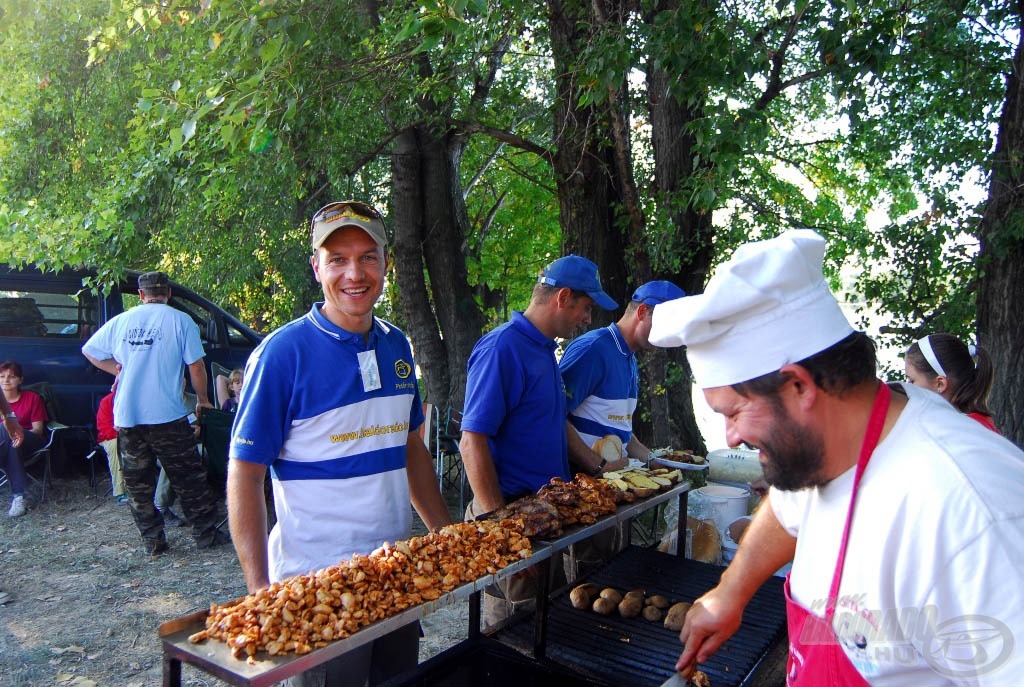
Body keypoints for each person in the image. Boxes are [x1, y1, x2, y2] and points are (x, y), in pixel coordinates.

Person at [649, 229, 1024, 685]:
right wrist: (731, 591)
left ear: (799, 386)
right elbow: (788, 511)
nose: (732, 436)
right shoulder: (824, 447)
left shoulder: (975, 513)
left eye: (735, 412)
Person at [227, 200, 451, 687]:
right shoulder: (282, 355)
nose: (356, 273)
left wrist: (445, 535)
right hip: (316, 586)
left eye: (369, 257)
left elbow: (409, 446)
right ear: (316, 268)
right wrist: (260, 591)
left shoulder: (397, 346)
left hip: (396, 575)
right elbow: (245, 472)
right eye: (338, 260)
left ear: (386, 264)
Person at [460, 254, 618, 623]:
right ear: (563, 297)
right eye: (586, 307)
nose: (587, 319)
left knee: (549, 624)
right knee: (513, 635)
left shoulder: (545, 349)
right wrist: (503, 533)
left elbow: (556, 420)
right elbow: (472, 442)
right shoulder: (503, 348)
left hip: (545, 516)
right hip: (510, 515)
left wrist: (597, 467)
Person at [82, 271, 229, 555]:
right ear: (168, 294)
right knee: (188, 478)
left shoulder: (122, 321)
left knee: (138, 484)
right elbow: (196, 366)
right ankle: (206, 536)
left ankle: (153, 541)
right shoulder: (181, 320)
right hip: (168, 415)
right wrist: (202, 399)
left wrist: (117, 369)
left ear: (140, 295)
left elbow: (90, 351)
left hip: (128, 416)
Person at [560, 280, 686, 472]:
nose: (670, 336)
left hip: (613, 482)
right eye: (668, 325)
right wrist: (598, 465)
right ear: (642, 312)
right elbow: (555, 416)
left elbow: (621, 429)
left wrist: (653, 460)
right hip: (579, 483)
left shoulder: (629, 357)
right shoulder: (593, 350)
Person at [904, 333, 999, 432]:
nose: (907, 387)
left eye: (912, 380)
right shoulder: (975, 424)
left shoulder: (958, 429)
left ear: (940, 384)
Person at [95, 376, 128, 504]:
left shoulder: (136, 401)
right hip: (111, 437)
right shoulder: (106, 402)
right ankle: (120, 491)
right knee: (115, 445)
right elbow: (104, 428)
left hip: (133, 436)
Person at [0, 390, 27, 518]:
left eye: (11, 376)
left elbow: (38, 430)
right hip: (6, 444)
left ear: (21, 379)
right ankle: (18, 495)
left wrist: (8, 418)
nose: (6, 380)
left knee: (7, 432)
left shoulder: (32, 398)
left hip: (27, 438)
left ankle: (18, 495)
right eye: (2, 376)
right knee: (9, 441)